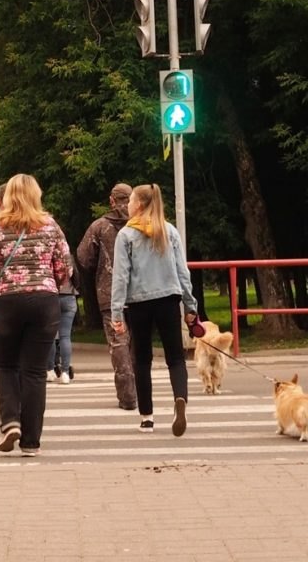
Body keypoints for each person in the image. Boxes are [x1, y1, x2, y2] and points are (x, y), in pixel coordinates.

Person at [0, 173, 72, 458]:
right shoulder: (51, 226)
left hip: (7, 302)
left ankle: (10, 423)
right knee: (34, 371)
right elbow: (66, 267)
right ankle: (31, 441)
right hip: (44, 302)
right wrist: (46, 280)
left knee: (5, 366)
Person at [109, 183, 199, 437]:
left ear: (138, 205)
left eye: (130, 202)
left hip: (138, 304)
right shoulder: (169, 231)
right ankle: (179, 399)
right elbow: (183, 272)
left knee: (142, 359)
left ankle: (147, 417)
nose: (127, 205)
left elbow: (120, 277)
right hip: (169, 299)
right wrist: (190, 306)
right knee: (175, 358)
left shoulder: (126, 235)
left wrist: (116, 313)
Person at [76, 182, 138, 409]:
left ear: (112, 201)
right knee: (138, 343)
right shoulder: (144, 225)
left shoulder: (100, 227)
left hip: (109, 293)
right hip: (142, 293)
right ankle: (143, 391)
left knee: (119, 343)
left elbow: (83, 258)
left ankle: (128, 397)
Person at [47, 266, 79, 384]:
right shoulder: (68, 256)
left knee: (51, 336)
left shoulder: (48, 253)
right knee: (65, 337)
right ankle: (65, 372)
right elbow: (77, 277)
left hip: (52, 296)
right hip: (69, 296)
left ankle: (50, 371)